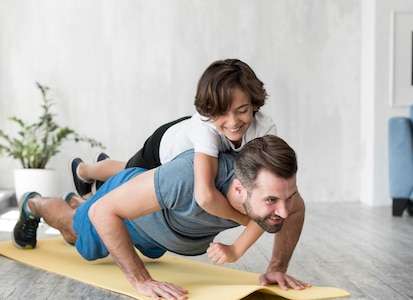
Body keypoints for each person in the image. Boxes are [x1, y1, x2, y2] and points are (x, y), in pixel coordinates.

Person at [13, 135, 309, 300]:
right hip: (127, 210)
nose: (282, 210)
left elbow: (295, 210)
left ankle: (78, 199)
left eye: (288, 196)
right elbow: (103, 213)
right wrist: (141, 280)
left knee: (146, 247)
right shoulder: (185, 179)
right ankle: (35, 204)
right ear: (238, 188)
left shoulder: (272, 191)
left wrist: (277, 267)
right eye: (271, 201)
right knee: (75, 234)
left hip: (160, 234)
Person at [71, 58, 276, 263]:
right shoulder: (205, 130)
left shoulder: (264, 129)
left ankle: (95, 173)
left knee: (127, 175)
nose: (233, 122)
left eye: (242, 110)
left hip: (186, 155)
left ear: (254, 104)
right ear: (210, 111)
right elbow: (205, 196)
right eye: (222, 112)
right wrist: (245, 219)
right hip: (162, 149)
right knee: (127, 173)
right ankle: (84, 170)